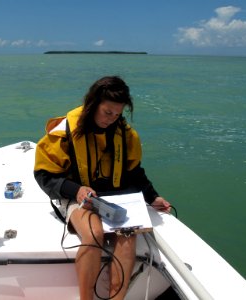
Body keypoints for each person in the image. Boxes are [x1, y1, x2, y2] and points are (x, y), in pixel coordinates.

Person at [34, 76, 171, 300]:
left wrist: (152, 197)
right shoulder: (64, 132)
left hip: (116, 197)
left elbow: (134, 171)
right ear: (93, 104)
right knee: (94, 234)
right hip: (78, 196)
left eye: (118, 114)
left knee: (128, 235)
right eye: (108, 112)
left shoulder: (125, 134)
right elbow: (44, 175)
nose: (112, 119)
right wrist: (75, 190)